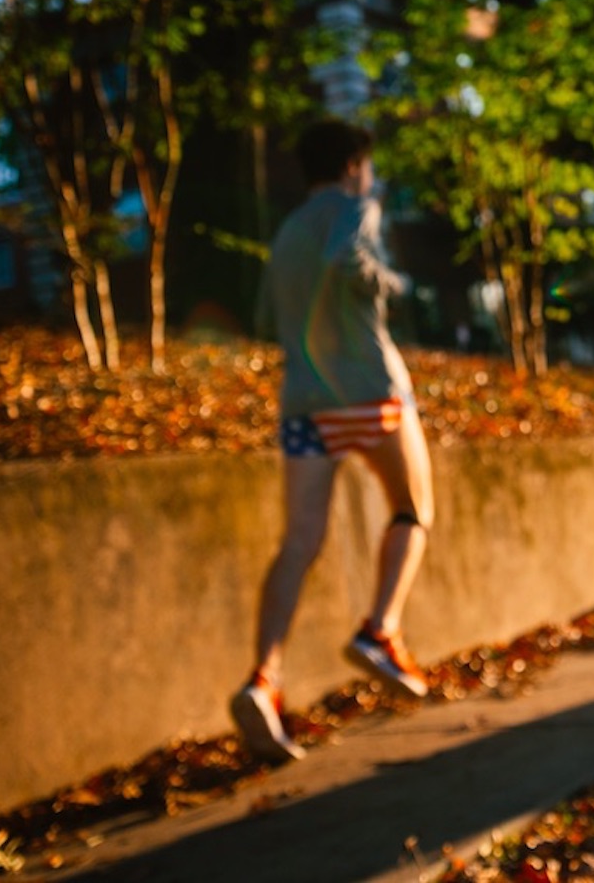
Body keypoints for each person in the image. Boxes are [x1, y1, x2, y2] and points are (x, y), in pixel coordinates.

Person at [231, 117, 435, 763]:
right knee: (413, 509)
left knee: (298, 543)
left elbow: (266, 318)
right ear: (353, 164)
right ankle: (381, 629)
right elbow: (345, 259)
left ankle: (263, 681)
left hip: (303, 402)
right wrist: (393, 286)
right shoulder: (355, 207)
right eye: (366, 165)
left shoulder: (288, 230)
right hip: (370, 391)